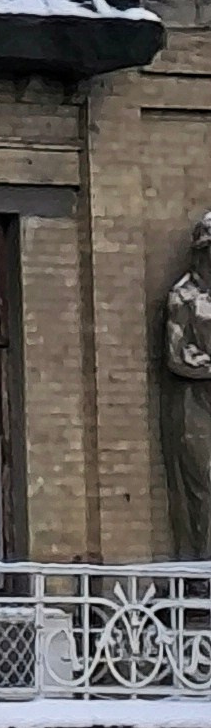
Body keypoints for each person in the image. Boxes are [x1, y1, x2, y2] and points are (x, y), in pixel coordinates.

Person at [164, 218, 211, 553]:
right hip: (197, 402)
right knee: (204, 484)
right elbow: (177, 355)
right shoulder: (185, 296)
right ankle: (201, 574)